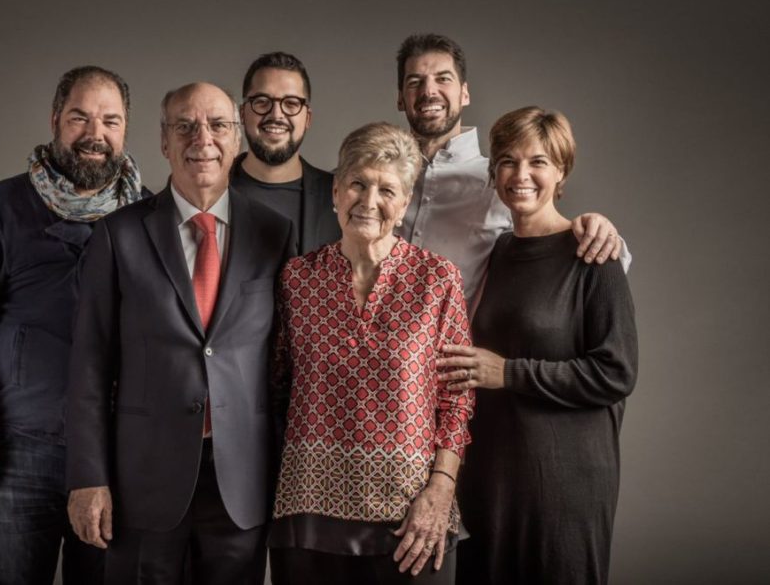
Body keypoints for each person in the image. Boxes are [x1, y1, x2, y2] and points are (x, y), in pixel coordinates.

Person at [65, 82, 296, 584]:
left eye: (217, 126)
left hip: (242, 480)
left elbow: (286, 369)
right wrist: (88, 478)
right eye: (185, 126)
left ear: (237, 139)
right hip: (143, 481)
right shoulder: (117, 235)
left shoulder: (274, 235)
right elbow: (87, 367)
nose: (202, 140)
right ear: (164, 141)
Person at [0, 65, 147, 584]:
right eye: (80, 117)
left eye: (111, 121)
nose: (96, 134)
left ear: (125, 131)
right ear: (54, 120)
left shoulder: (147, 216)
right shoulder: (0, 208)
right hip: (19, 449)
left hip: (117, 453)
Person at [268, 122, 474, 585]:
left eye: (387, 189)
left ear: (403, 205)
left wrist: (441, 488)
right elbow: (276, 386)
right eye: (358, 183)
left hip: (411, 519)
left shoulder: (438, 280)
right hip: (307, 514)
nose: (369, 200)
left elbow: (457, 400)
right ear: (336, 192)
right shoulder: (297, 279)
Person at [440, 107, 638, 584]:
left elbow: (616, 372)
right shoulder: (500, 252)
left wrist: (506, 372)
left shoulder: (593, 254)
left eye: (538, 162)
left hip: (565, 482)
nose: (520, 174)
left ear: (562, 171)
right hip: (492, 474)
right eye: (507, 161)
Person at [394, 33, 630, 302]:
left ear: (465, 93)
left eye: (443, 79)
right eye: (415, 82)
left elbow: (559, 246)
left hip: (456, 342)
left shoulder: (502, 181)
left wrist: (602, 233)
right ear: (400, 98)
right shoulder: (376, 180)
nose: (429, 91)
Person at [231, 51, 340, 254]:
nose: (276, 115)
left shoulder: (339, 197)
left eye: (291, 103)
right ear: (242, 113)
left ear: (307, 118)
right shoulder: (210, 192)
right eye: (262, 101)